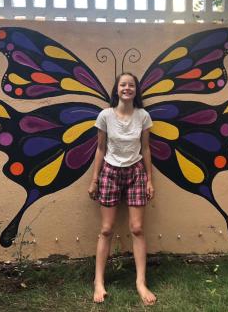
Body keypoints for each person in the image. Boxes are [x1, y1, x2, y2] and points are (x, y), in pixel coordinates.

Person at [88, 72, 157, 305]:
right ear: (116, 89)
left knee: (137, 228)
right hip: (109, 172)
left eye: (131, 85)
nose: (127, 88)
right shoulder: (105, 116)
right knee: (106, 229)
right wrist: (94, 179)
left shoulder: (143, 116)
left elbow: (146, 149)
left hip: (136, 172)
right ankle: (98, 281)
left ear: (135, 91)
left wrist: (149, 179)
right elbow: (100, 148)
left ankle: (140, 282)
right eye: (123, 85)